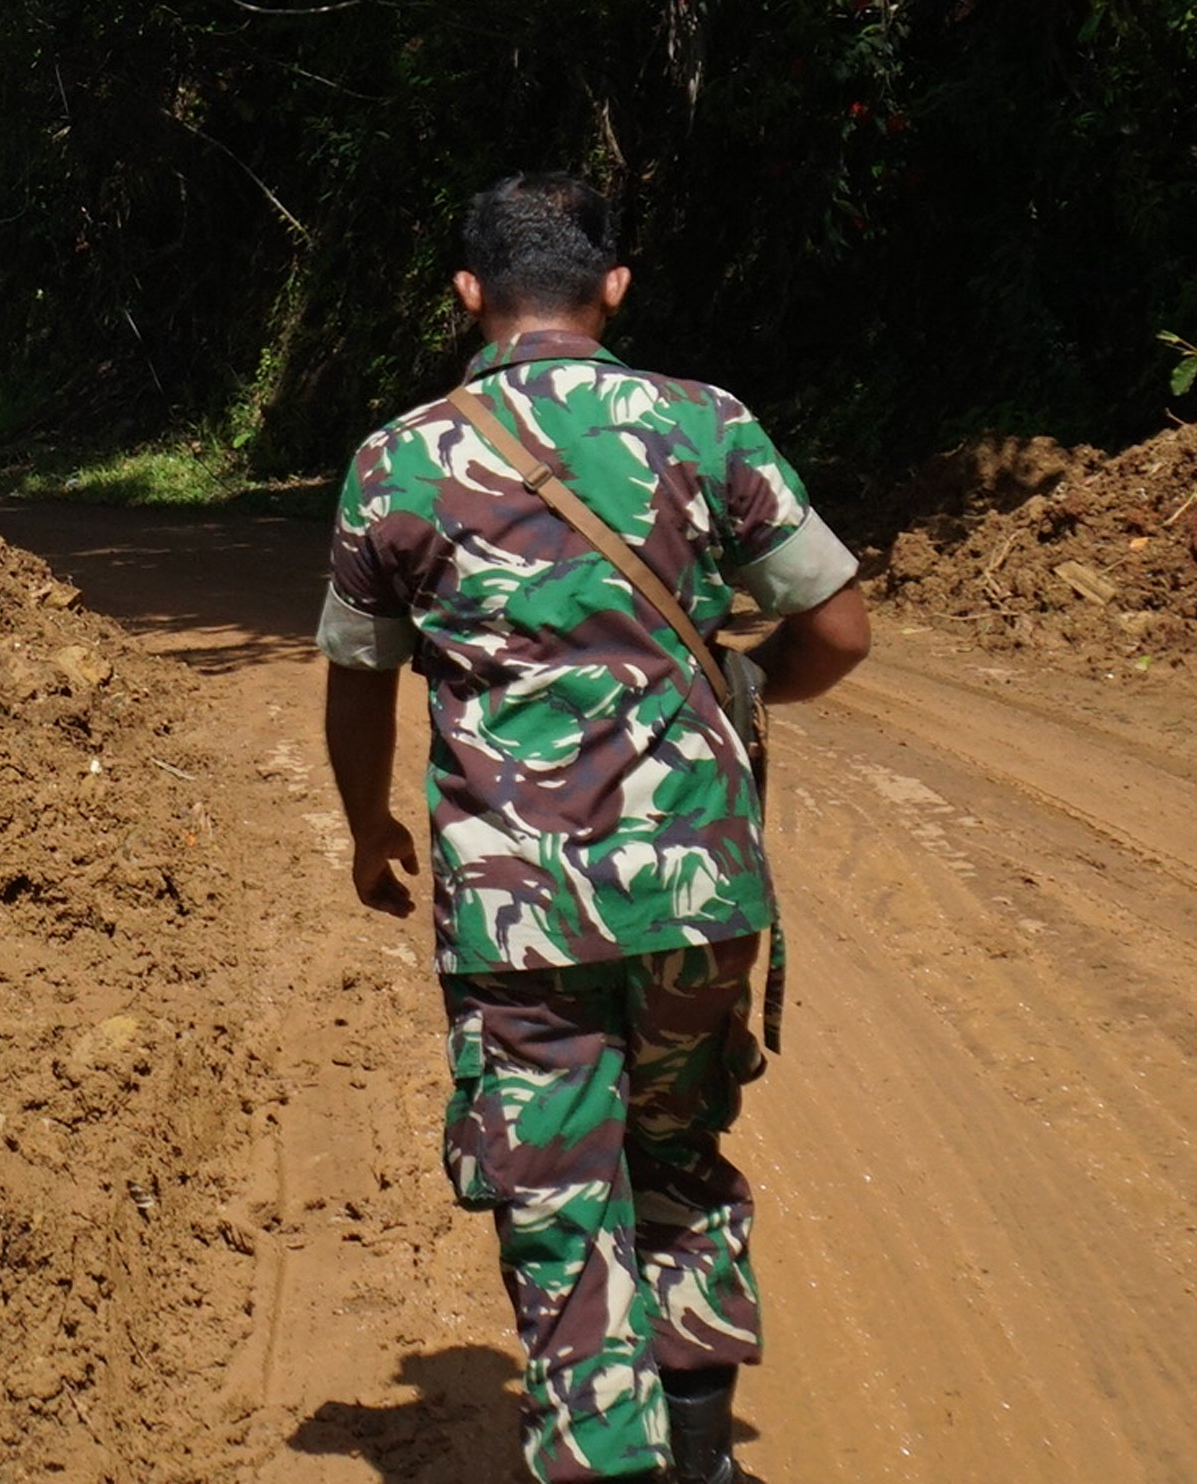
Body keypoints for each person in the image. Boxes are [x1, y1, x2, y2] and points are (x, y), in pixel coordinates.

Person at [317, 174, 873, 1484]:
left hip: (521, 920)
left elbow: (357, 682)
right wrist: (747, 683)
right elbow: (839, 626)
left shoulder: (399, 458)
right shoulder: (708, 426)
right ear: (614, 287)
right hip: (698, 897)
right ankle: (700, 1458)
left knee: (564, 1206)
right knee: (679, 1151)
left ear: (468, 295)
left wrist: (369, 832)